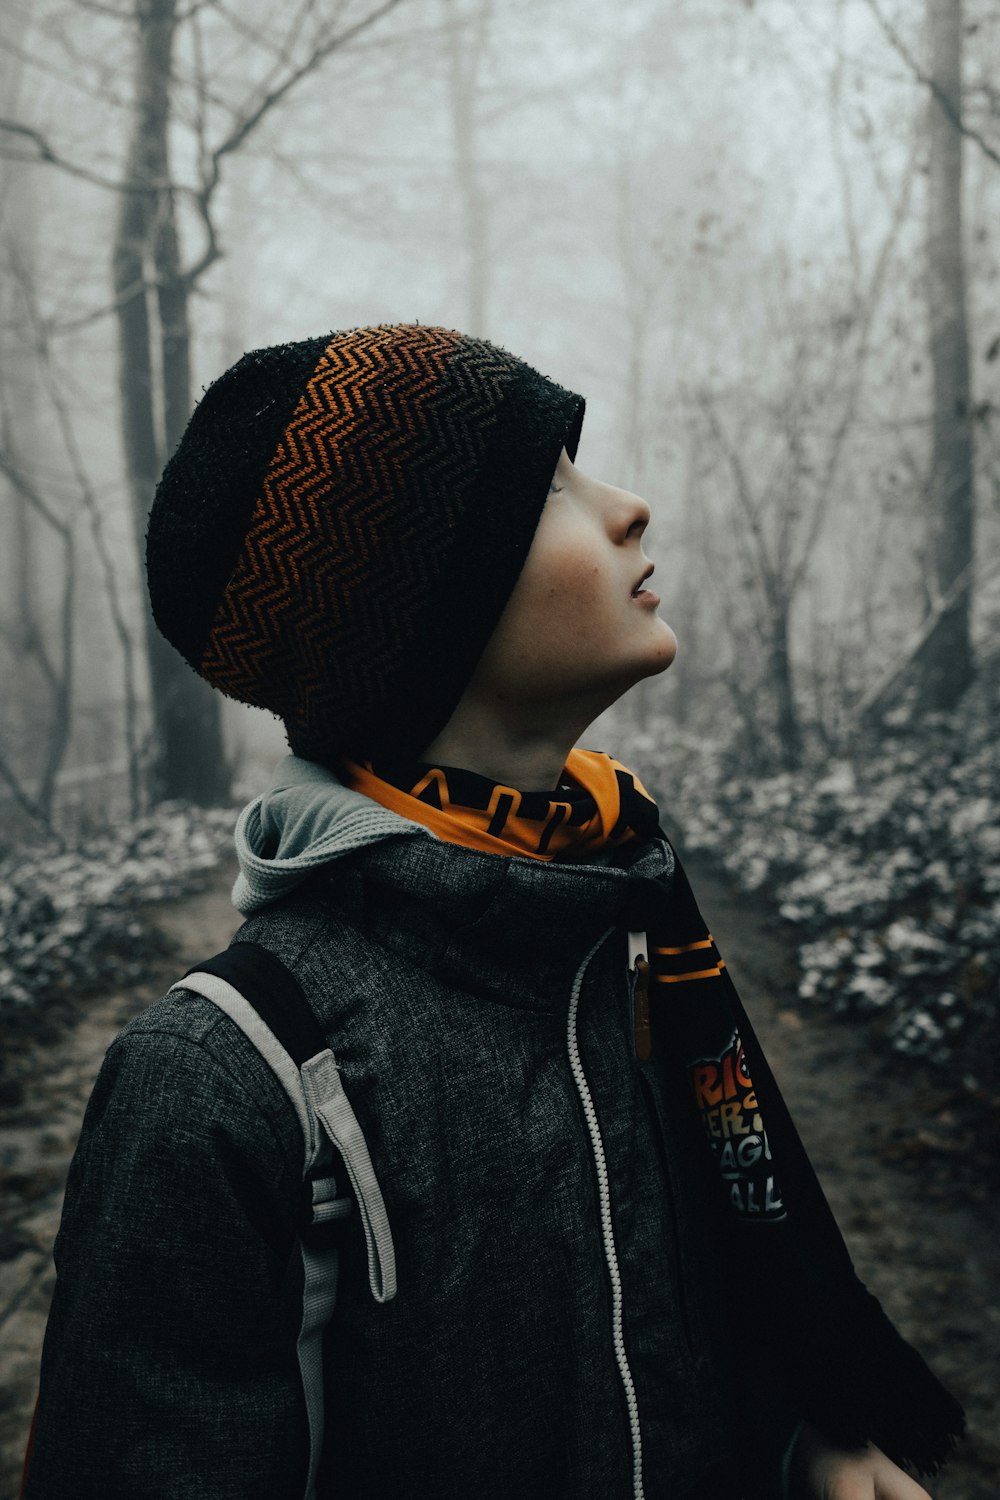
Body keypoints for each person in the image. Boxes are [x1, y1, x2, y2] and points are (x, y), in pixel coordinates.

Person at [23, 326, 963, 1499]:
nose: (629, 507)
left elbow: (655, 1327)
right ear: (413, 609)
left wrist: (792, 1438)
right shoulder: (217, 1084)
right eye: (548, 488)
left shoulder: (623, 940)